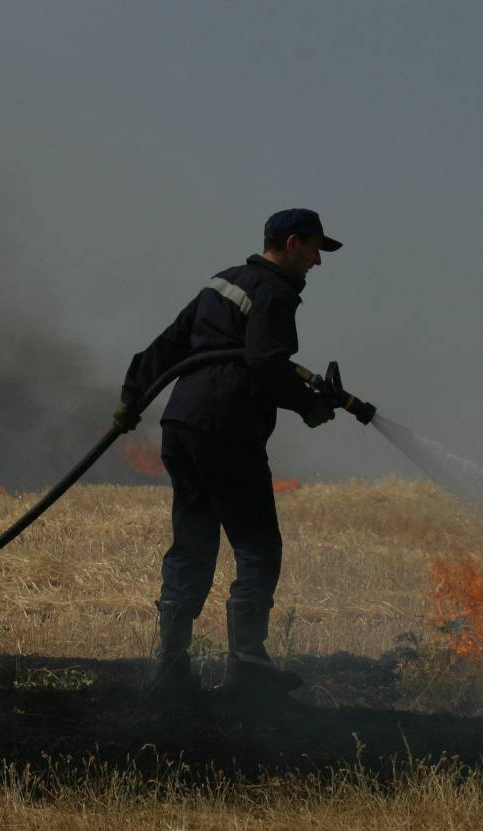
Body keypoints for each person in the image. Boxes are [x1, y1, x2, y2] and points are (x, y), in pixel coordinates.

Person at [113, 208, 341, 697]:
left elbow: (170, 342)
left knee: (193, 543)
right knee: (258, 545)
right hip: (227, 427)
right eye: (317, 250)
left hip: (181, 424)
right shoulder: (276, 292)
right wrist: (308, 406)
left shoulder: (224, 282)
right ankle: (247, 664)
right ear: (295, 242)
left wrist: (131, 398)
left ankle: (171, 666)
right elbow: (263, 363)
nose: (318, 263)